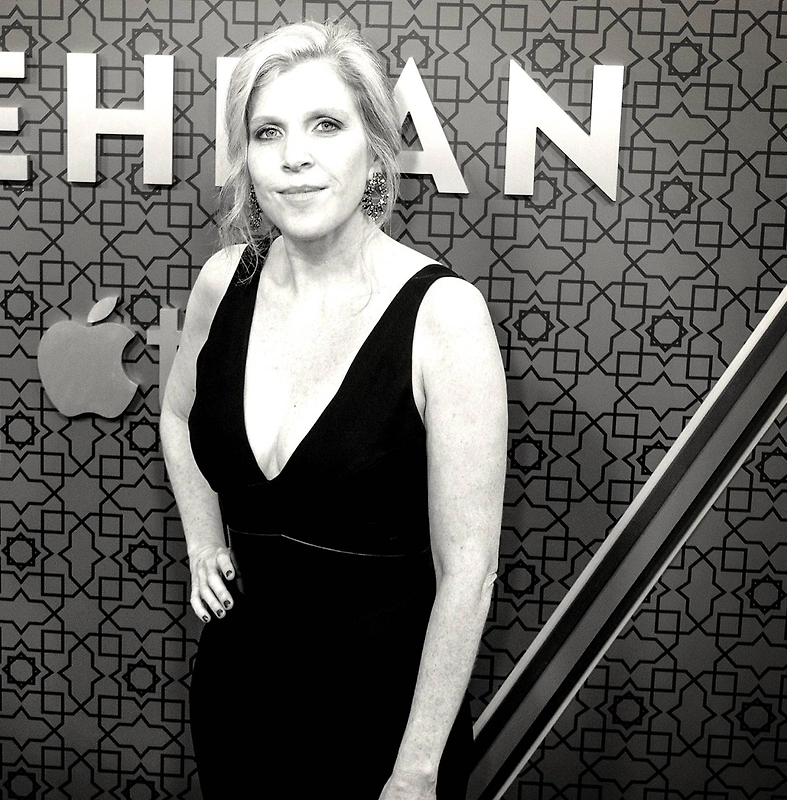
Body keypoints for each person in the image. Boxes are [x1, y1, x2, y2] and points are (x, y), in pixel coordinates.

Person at [159, 20, 507, 800]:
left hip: (383, 718)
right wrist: (203, 541)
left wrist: (416, 770)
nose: (294, 156)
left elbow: (468, 573)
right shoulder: (223, 281)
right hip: (239, 696)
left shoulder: (444, 315)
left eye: (325, 125)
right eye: (268, 132)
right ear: (246, 159)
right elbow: (178, 416)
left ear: (375, 150)